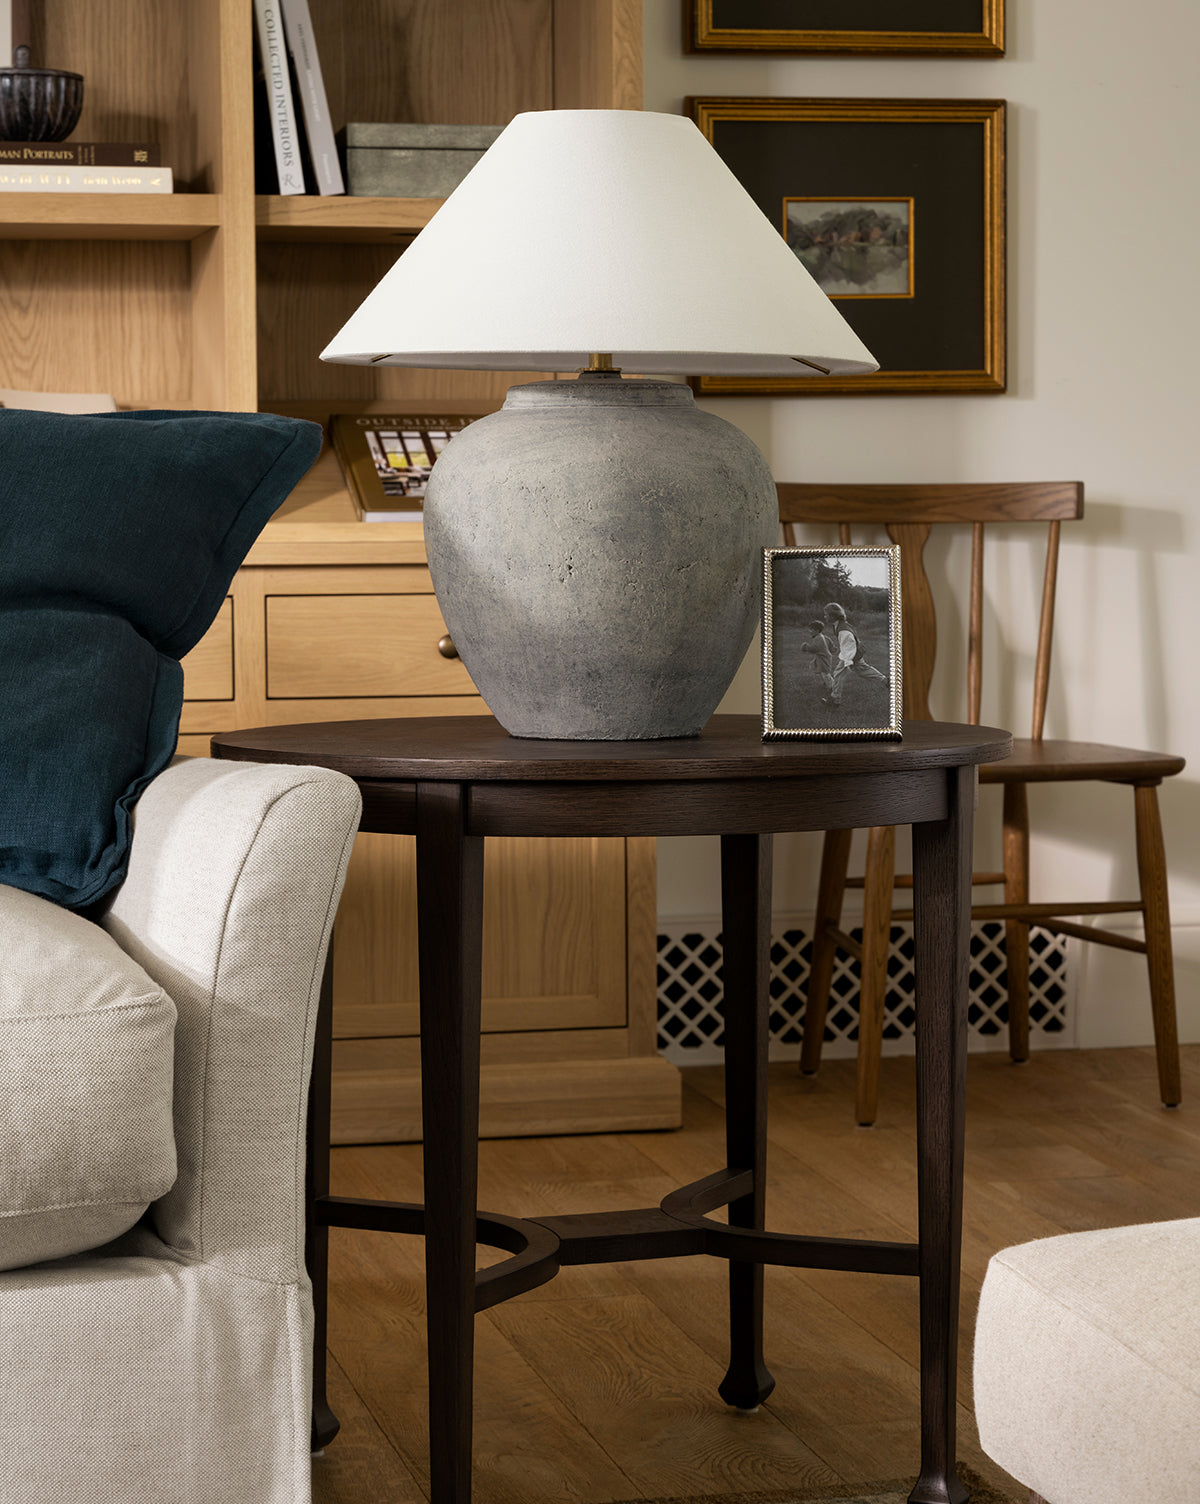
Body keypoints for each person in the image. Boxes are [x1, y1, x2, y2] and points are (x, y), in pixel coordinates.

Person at [824, 601, 887, 706]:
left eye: (826, 615)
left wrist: (847, 662)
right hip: (853, 652)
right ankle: (885, 681)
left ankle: (835, 699)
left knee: (838, 674)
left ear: (833, 616)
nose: (824, 616)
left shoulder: (843, 631)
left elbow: (849, 646)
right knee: (863, 670)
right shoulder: (839, 625)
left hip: (851, 654)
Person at [799, 619, 835, 702]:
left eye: (812, 630)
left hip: (823, 658)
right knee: (821, 671)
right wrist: (832, 648)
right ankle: (827, 683)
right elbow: (829, 641)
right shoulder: (822, 636)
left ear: (817, 630)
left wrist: (806, 647)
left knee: (825, 673)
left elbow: (814, 649)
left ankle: (832, 687)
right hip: (823, 657)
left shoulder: (818, 638)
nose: (810, 631)